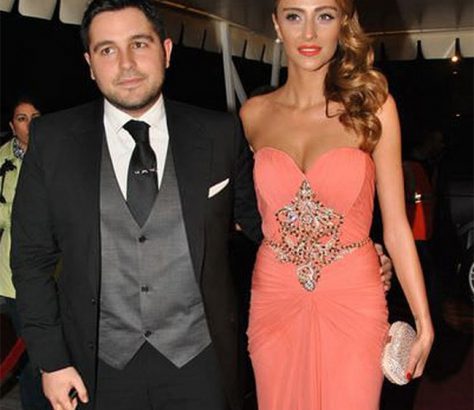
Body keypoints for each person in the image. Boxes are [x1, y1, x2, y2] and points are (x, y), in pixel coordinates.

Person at [10, 1, 262, 409]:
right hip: (98, 368)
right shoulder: (53, 141)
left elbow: (263, 225)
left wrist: (343, 253)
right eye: (107, 50)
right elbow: (30, 259)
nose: (126, 63)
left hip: (200, 363)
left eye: (139, 44)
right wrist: (51, 360)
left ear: (166, 51)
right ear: (90, 64)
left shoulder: (219, 133)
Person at [240, 0, 434, 408]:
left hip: (353, 295)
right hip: (274, 297)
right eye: (295, 16)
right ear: (276, 24)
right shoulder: (252, 115)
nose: (309, 33)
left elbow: (396, 226)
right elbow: (240, 210)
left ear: (343, 23)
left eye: (324, 16)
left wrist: (423, 319)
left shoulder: (374, 107)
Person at [0, 97, 50, 409]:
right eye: (22, 118)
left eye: (36, 116)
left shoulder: (60, 155)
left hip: (55, 270)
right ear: (11, 125)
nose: (30, 124)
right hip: (13, 273)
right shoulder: (2, 160)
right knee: (27, 353)